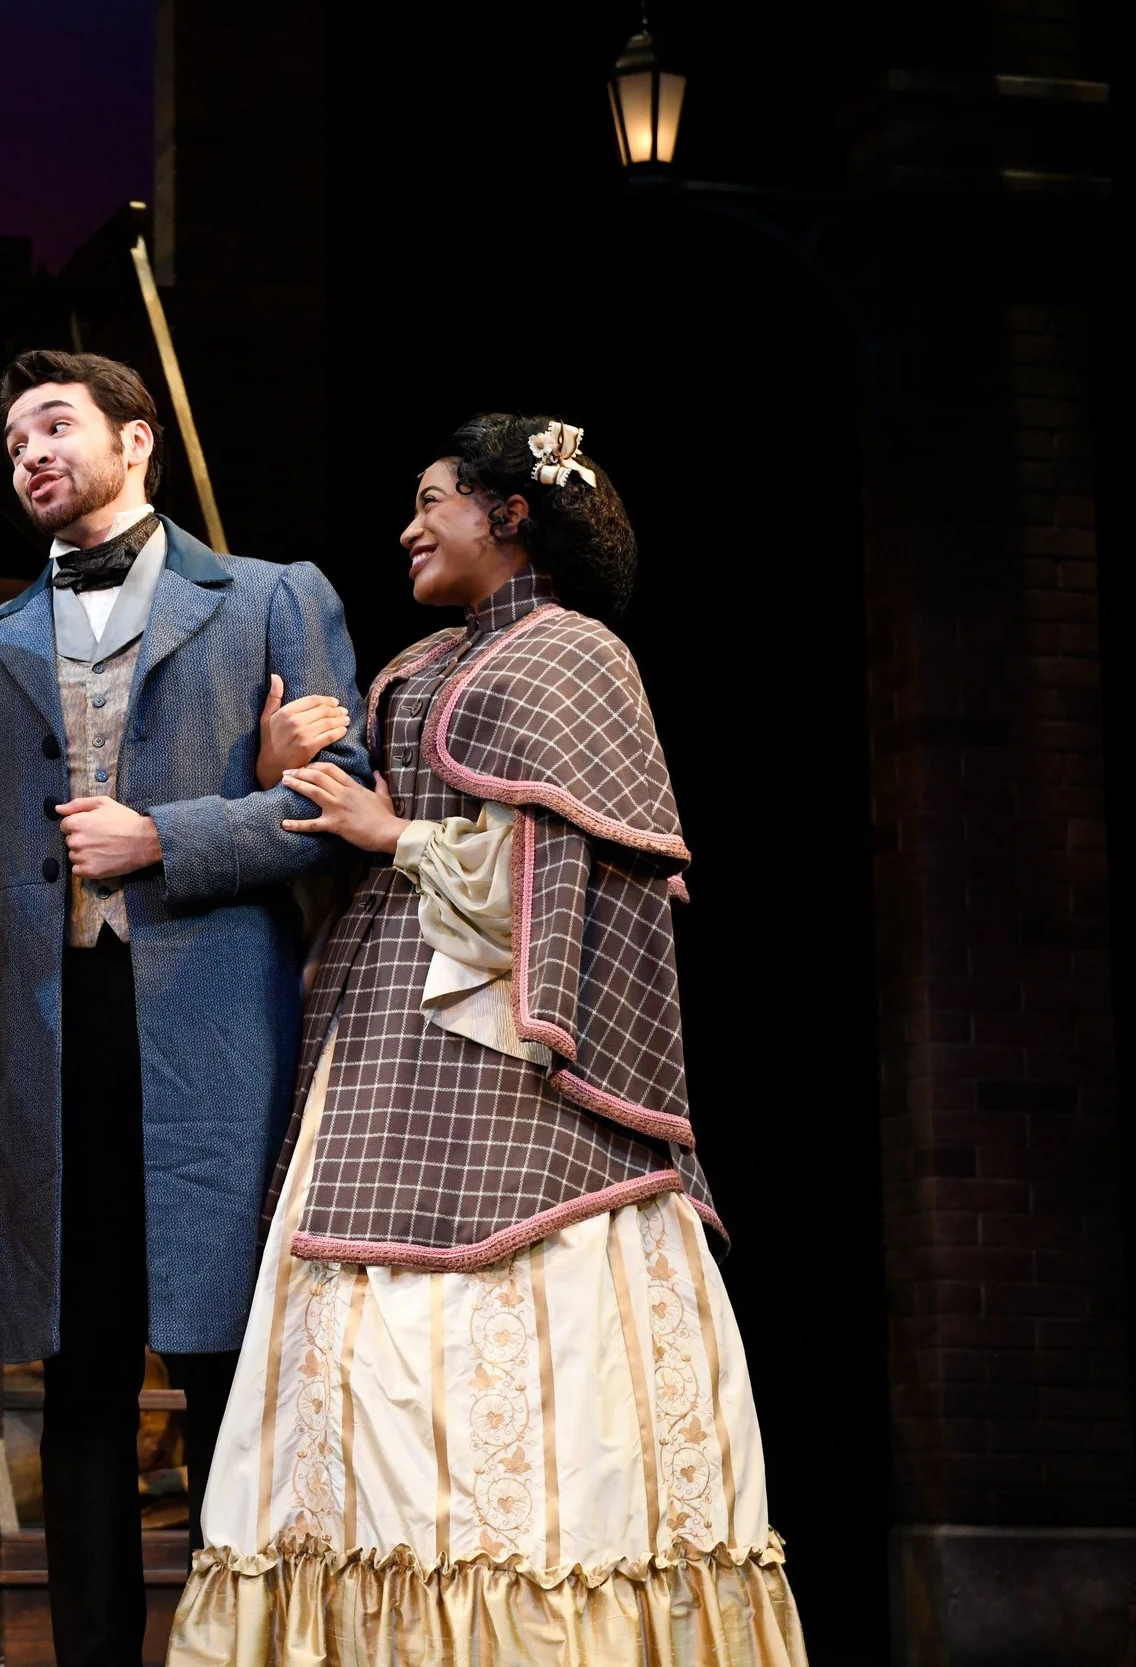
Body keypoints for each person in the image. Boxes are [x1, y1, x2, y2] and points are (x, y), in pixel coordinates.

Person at [170, 416, 808, 1664]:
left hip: (514, 1066)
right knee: (358, 1360)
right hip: (383, 1039)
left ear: (508, 513)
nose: (410, 526)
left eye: (434, 500)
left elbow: (561, 876)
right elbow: (364, 835)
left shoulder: (574, 655)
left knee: (518, 1370)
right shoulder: (418, 663)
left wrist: (393, 834)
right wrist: (287, 772)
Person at [0, 351, 370, 1667]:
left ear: (137, 438)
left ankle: (242, 1645)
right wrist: (39, 903)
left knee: (229, 1365)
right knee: (84, 1371)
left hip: (223, 1030)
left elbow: (344, 803)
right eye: (12, 442)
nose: (30, 454)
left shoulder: (271, 598)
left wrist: (165, 835)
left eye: (54, 425)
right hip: (58, 1038)